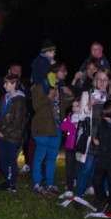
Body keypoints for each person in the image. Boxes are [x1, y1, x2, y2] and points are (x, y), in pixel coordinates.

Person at [30, 62, 73, 194]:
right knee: (39, 156)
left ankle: (50, 183)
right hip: (43, 127)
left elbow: (63, 106)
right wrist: (49, 95)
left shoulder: (59, 87)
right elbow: (36, 106)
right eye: (63, 71)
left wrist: (70, 95)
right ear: (54, 72)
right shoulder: (39, 86)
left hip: (56, 128)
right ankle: (37, 183)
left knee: (52, 157)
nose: (65, 73)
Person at [74, 68, 111, 197]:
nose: (102, 82)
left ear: (109, 82)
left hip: (107, 139)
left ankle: (105, 195)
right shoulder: (87, 94)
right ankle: (78, 196)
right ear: (95, 80)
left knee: (106, 168)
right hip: (91, 138)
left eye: (105, 80)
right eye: (99, 79)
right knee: (87, 168)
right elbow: (80, 117)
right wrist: (89, 105)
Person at [0, 74, 26, 192]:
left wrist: (4, 132)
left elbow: (17, 121)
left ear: (13, 84)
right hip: (3, 134)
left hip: (12, 136)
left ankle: (11, 184)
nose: (4, 85)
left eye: (6, 83)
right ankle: (9, 180)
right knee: (1, 157)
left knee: (10, 159)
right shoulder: (6, 98)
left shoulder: (19, 100)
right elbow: (1, 116)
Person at [60, 98, 82, 194]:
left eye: (77, 106)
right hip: (69, 146)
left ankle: (79, 187)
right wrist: (70, 122)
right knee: (69, 168)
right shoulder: (70, 116)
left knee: (78, 168)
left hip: (79, 146)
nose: (74, 108)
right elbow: (63, 127)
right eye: (73, 106)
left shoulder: (83, 117)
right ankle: (69, 188)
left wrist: (78, 125)